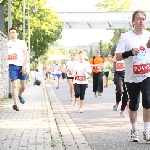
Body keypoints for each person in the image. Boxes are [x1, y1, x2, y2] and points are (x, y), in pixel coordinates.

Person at [115, 10, 150, 142]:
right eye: (138, 19)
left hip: (147, 74)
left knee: (148, 101)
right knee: (134, 104)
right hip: (131, 76)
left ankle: (147, 131)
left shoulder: (148, 36)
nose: (141, 21)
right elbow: (117, 56)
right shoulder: (126, 37)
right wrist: (129, 52)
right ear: (133, 21)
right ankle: (134, 130)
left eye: (143, 19)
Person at [6, 27, 29, 111]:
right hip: (12, 66)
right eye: (11, 32)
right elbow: (8, 55)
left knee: (23, 86)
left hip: (22, 66)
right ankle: (16, 103)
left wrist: (24, 66)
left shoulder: (22, 43)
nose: (12, 34)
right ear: (9, 34)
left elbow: (26, 55)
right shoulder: (8, 44)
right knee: (14, 85)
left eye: (14, 32)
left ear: (17, 33)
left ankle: (19, 95)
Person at [108, 33, 129, 118]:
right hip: (117, 72)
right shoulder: (114, 47)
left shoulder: (128, 47)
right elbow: (109, 57)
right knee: (120, 90)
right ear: (119, 38)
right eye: (121, 37)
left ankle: (122, 110)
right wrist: (115, 60)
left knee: (126, 93)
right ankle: (117, 103)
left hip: (126, 72)